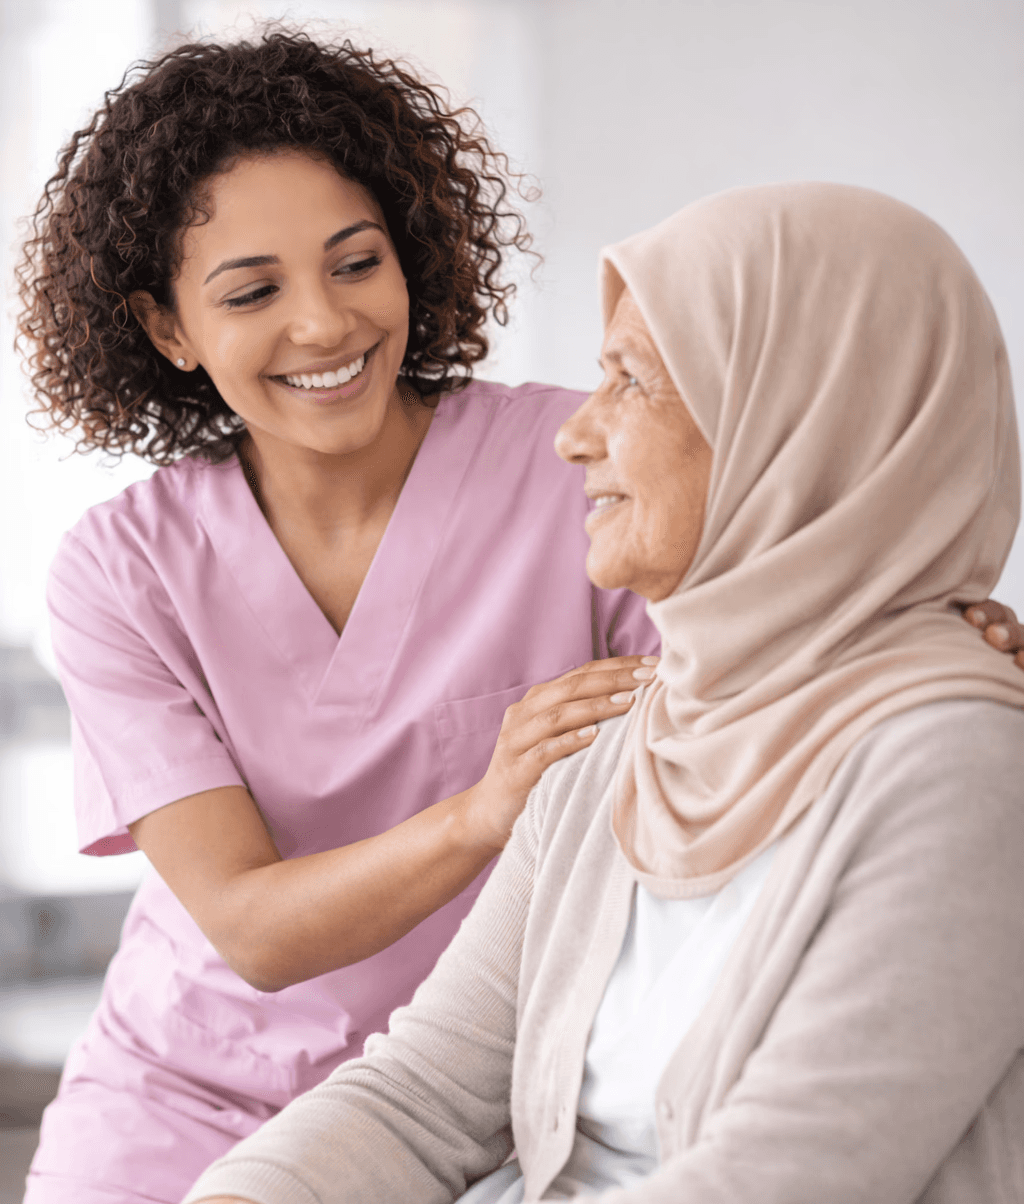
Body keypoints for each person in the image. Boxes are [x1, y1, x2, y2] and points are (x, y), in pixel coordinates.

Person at [182, 182, 1024, 1204]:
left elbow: (783, 1179)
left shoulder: (957, 765)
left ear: (794, 419)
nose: (574, 435)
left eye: (631, 381)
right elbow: (421, 1095)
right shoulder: (619, 737)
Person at [15, 30, 664, 1204]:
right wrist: (488, 807)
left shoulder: (586, 459)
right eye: (252, 292)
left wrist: (926, 640)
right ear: (168, 328)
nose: (324, 326)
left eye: (355, 264)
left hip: (494, 1091)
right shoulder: (122, 571)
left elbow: (773, 664)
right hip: (187, 1093)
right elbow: (253, 931)